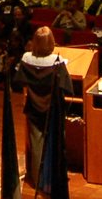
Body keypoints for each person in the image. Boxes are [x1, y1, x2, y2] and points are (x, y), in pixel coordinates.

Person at [13, 27, 73, 182]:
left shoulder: (26, 58)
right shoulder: (57, 62)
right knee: (56, 141)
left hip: (33, 105)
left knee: (36, 141)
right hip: (53, 108)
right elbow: (67, 87)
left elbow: (18, 81)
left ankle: (36, 177)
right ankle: (53, 176)